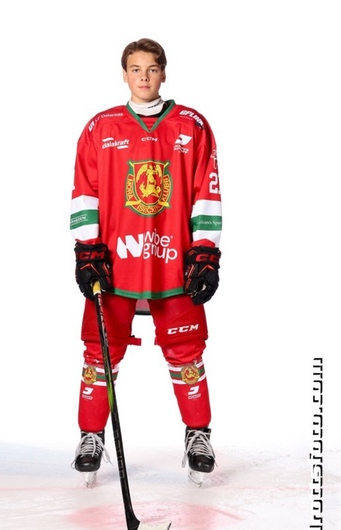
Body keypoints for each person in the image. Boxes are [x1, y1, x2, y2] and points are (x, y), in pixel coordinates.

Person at [70, 38, 222, 485]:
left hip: (173, 259)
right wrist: (87, 248)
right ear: (124, 74)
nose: (143, 77)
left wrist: (205, 251)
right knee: (100, 350)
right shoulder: (101, 127)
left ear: (163, 73)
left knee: (186, 351)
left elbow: (206, 190)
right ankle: (90, 436)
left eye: (151, 69)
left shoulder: (192, 125)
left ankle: (198, 434)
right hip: (116, 262)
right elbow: (85, 191)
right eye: (135, 69)